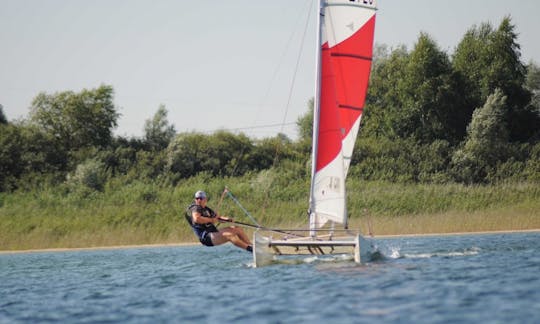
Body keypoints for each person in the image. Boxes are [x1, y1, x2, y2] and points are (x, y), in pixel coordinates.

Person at [186, 190, 253, 252]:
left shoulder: (207, 209)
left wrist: (226, 219)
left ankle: (252, 246)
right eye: (197, 198)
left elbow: (218, 217)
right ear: (195, 200)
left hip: (213, 233)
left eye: (201, 198)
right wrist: (212, 220)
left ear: (205, 199)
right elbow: (197, 219)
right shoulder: (195, 208)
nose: (199, 200)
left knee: (237, 229)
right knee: (230, 235)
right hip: (206, 238)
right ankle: (250, 249)